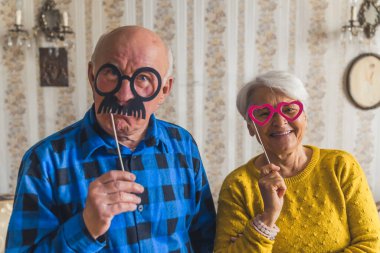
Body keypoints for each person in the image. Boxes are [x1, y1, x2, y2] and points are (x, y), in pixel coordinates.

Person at [6, 26, 216, 252]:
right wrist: (86, 228)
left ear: (164, 89)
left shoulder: (182, 145)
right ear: (91, 76)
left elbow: (206, 240)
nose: (124, 95)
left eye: (143, 78)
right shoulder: (45, 162)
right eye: (112, 74)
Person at [214, 71, 380, 252]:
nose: (280, 121)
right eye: (263, 113)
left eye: (289, 110)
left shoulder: (341, 166)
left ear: (305, 117)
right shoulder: (237, 185)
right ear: (251, 127)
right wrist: (267, 218)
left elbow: (371, 244)